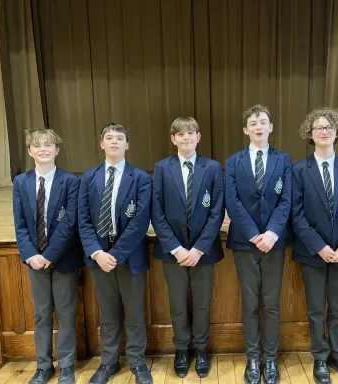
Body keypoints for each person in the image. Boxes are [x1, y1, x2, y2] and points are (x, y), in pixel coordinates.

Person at [291, 107, 338, 384]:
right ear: (310, 134)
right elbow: (295, 214)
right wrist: (319, 246)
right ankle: (320, 357)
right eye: (319, 127)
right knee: (315, 309)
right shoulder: (298, 170)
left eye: (329, 127)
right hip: (313, 252)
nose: (324, 131)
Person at [78, 123, 153, 384]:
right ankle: (108, 362)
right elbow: (83, 219)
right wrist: (98, 253)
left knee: (134, 314)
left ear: (127, 144)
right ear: (101, 144)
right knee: (108, 314)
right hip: (99, 256)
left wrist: (117, 254)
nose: (114, 142)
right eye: (109, 138)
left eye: (119, 138)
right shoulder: (88, 177)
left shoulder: (142, 178)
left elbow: (141, 221)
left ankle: (138, 362)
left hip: (129, 256)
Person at [151, 116, 224, 378]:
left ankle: (201, 348)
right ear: (173, 139)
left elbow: (216, 211)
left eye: (190, 133)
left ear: (198, 137)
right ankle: (182, 349)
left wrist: (199, 248)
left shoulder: (213, 168)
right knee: (178, 303)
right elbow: (156, 212)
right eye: (180, 134)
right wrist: (177, 248)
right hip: (173, 252)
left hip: (203, 251)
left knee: (203, 303)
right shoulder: (161, 168)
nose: (186, 138)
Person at [225, 104, 292, 384]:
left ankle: (271, 359)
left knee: (272, 304)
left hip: (274, 243)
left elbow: (286, 199)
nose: (258, 126)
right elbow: (232, 200)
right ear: (245, 130)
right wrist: (254, 234)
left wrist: (272, 234)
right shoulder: (233, 161)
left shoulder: (284, 159)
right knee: (250, 304)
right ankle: (253, 358)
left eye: (263, 121)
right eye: (253, 122)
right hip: (244, 242)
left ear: (271, 127)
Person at [12, 129, 83, 384]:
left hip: (62, 259)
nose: (43, 149)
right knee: (41, 315)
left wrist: (49, 255)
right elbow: (20, 224)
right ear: (30, 151)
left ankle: (66, 366)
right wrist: (31, 255)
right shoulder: (21, 182)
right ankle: (43, 366)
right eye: (37, 145)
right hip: (34, 261)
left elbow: (70, 224)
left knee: (65, 313)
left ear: (57, 150)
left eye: (48, 145)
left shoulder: (71, 182)